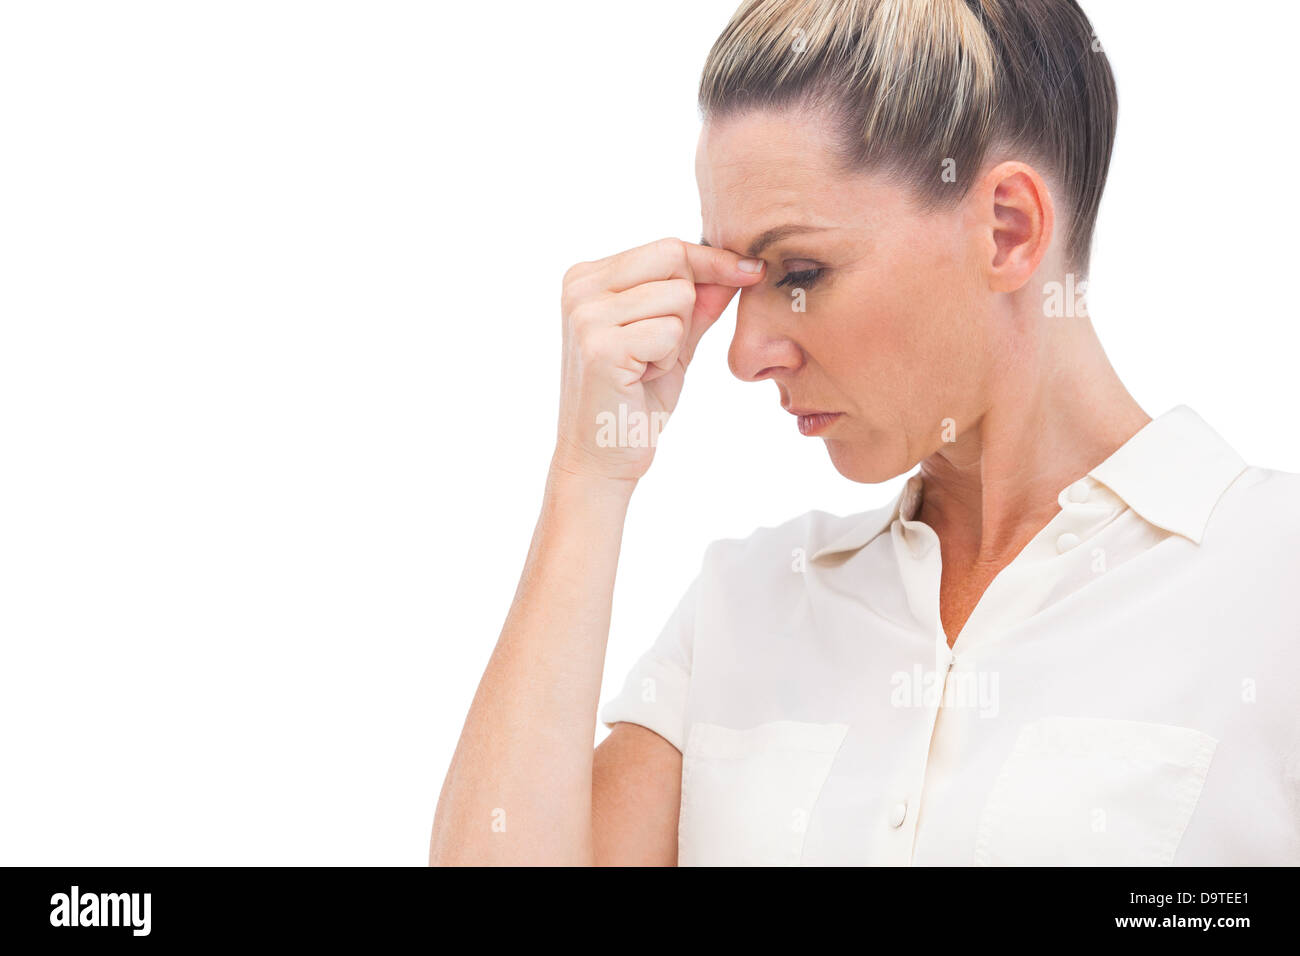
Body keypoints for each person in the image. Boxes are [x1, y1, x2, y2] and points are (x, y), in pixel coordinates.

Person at [429, 0, 1300, 865]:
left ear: (1009, 229)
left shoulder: (1274, 578)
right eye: (736, 280)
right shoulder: (746, 609)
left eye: (800, 271)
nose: (742, 354)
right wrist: (588, 480)